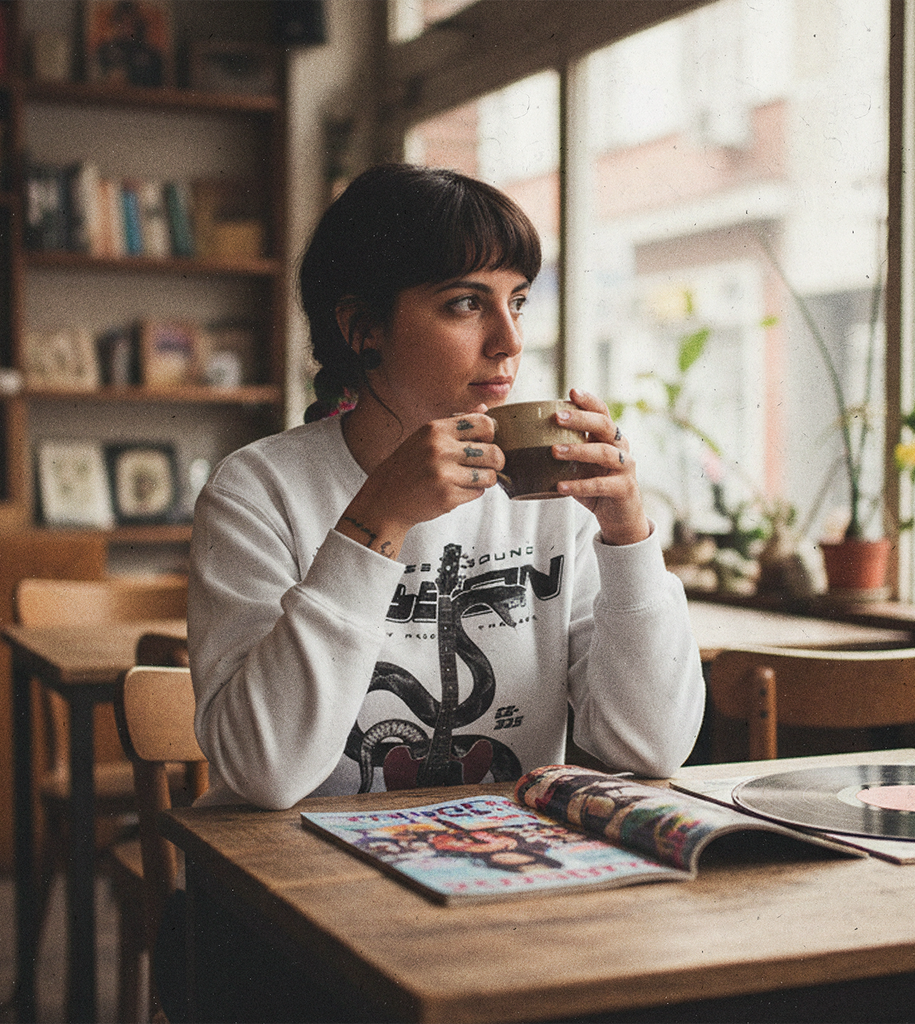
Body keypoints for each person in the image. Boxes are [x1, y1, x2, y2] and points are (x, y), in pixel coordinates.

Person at [168, 162, 705, 1022]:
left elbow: (649, 751)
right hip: (299, 918)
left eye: (518, 299)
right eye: (465, 303)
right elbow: (265, 773)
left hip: (510, 901)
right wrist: (373, 522)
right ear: (362, 327)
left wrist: (627, 537)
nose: (508, 340)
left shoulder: (543, 501)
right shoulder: (259, 490)